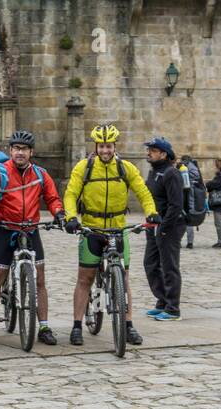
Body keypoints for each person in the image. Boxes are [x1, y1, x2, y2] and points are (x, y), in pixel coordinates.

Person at [62, 123, 158, 345]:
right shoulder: (83, 168)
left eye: (109, 146)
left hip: (117, 228)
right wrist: (70, 217)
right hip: (92, 229)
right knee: (85, 279)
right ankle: (77, 325)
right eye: (101, 146)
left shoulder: (126, 168)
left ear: (115, 146)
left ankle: (128, 325)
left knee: (123, 279)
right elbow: (70, 194)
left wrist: (152, 213)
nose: (105, 151)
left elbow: (143, 192)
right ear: (96, 147)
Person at [0, 130, 66, 341]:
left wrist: (59, 213)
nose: (20, 153)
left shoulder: (40, 174)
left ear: (31, 152)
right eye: (16, 148)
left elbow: (53, 198)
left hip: (30, 229)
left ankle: (44, 327)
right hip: (5, 229)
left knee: (40, 280)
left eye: (24, 149)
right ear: (10, 150)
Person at [142, 136, 184, 321]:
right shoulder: (153, 172)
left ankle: (173, 308)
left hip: (169, 226)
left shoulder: (171, 173)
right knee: (150, 264)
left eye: (153, 150)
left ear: (164, 154)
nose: (149, 153)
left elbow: (176, 205)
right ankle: (162, 300)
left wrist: (165, 227)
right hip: (153, 225)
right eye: (149, 149)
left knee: (169, 266)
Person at [205, 158, 221, 248]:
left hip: (219, 202)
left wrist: (207, 183)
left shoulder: (220, 176)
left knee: (218, 222)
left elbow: (213, 185)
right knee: (219, 222)